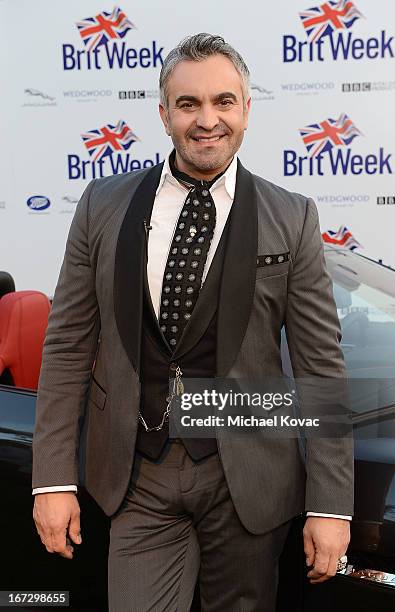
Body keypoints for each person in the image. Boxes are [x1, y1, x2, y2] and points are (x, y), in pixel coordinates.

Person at [32, 33, 353, 612]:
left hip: (248, 479)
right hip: (137, 475)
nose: (208, 120)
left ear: (247, 109)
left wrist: (330, 504)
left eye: (224, 102)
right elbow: (67, 348)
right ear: (164, 114)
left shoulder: (293, 215)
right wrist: (53, 479)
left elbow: (319, 364)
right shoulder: (102, 206)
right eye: (189, 104)